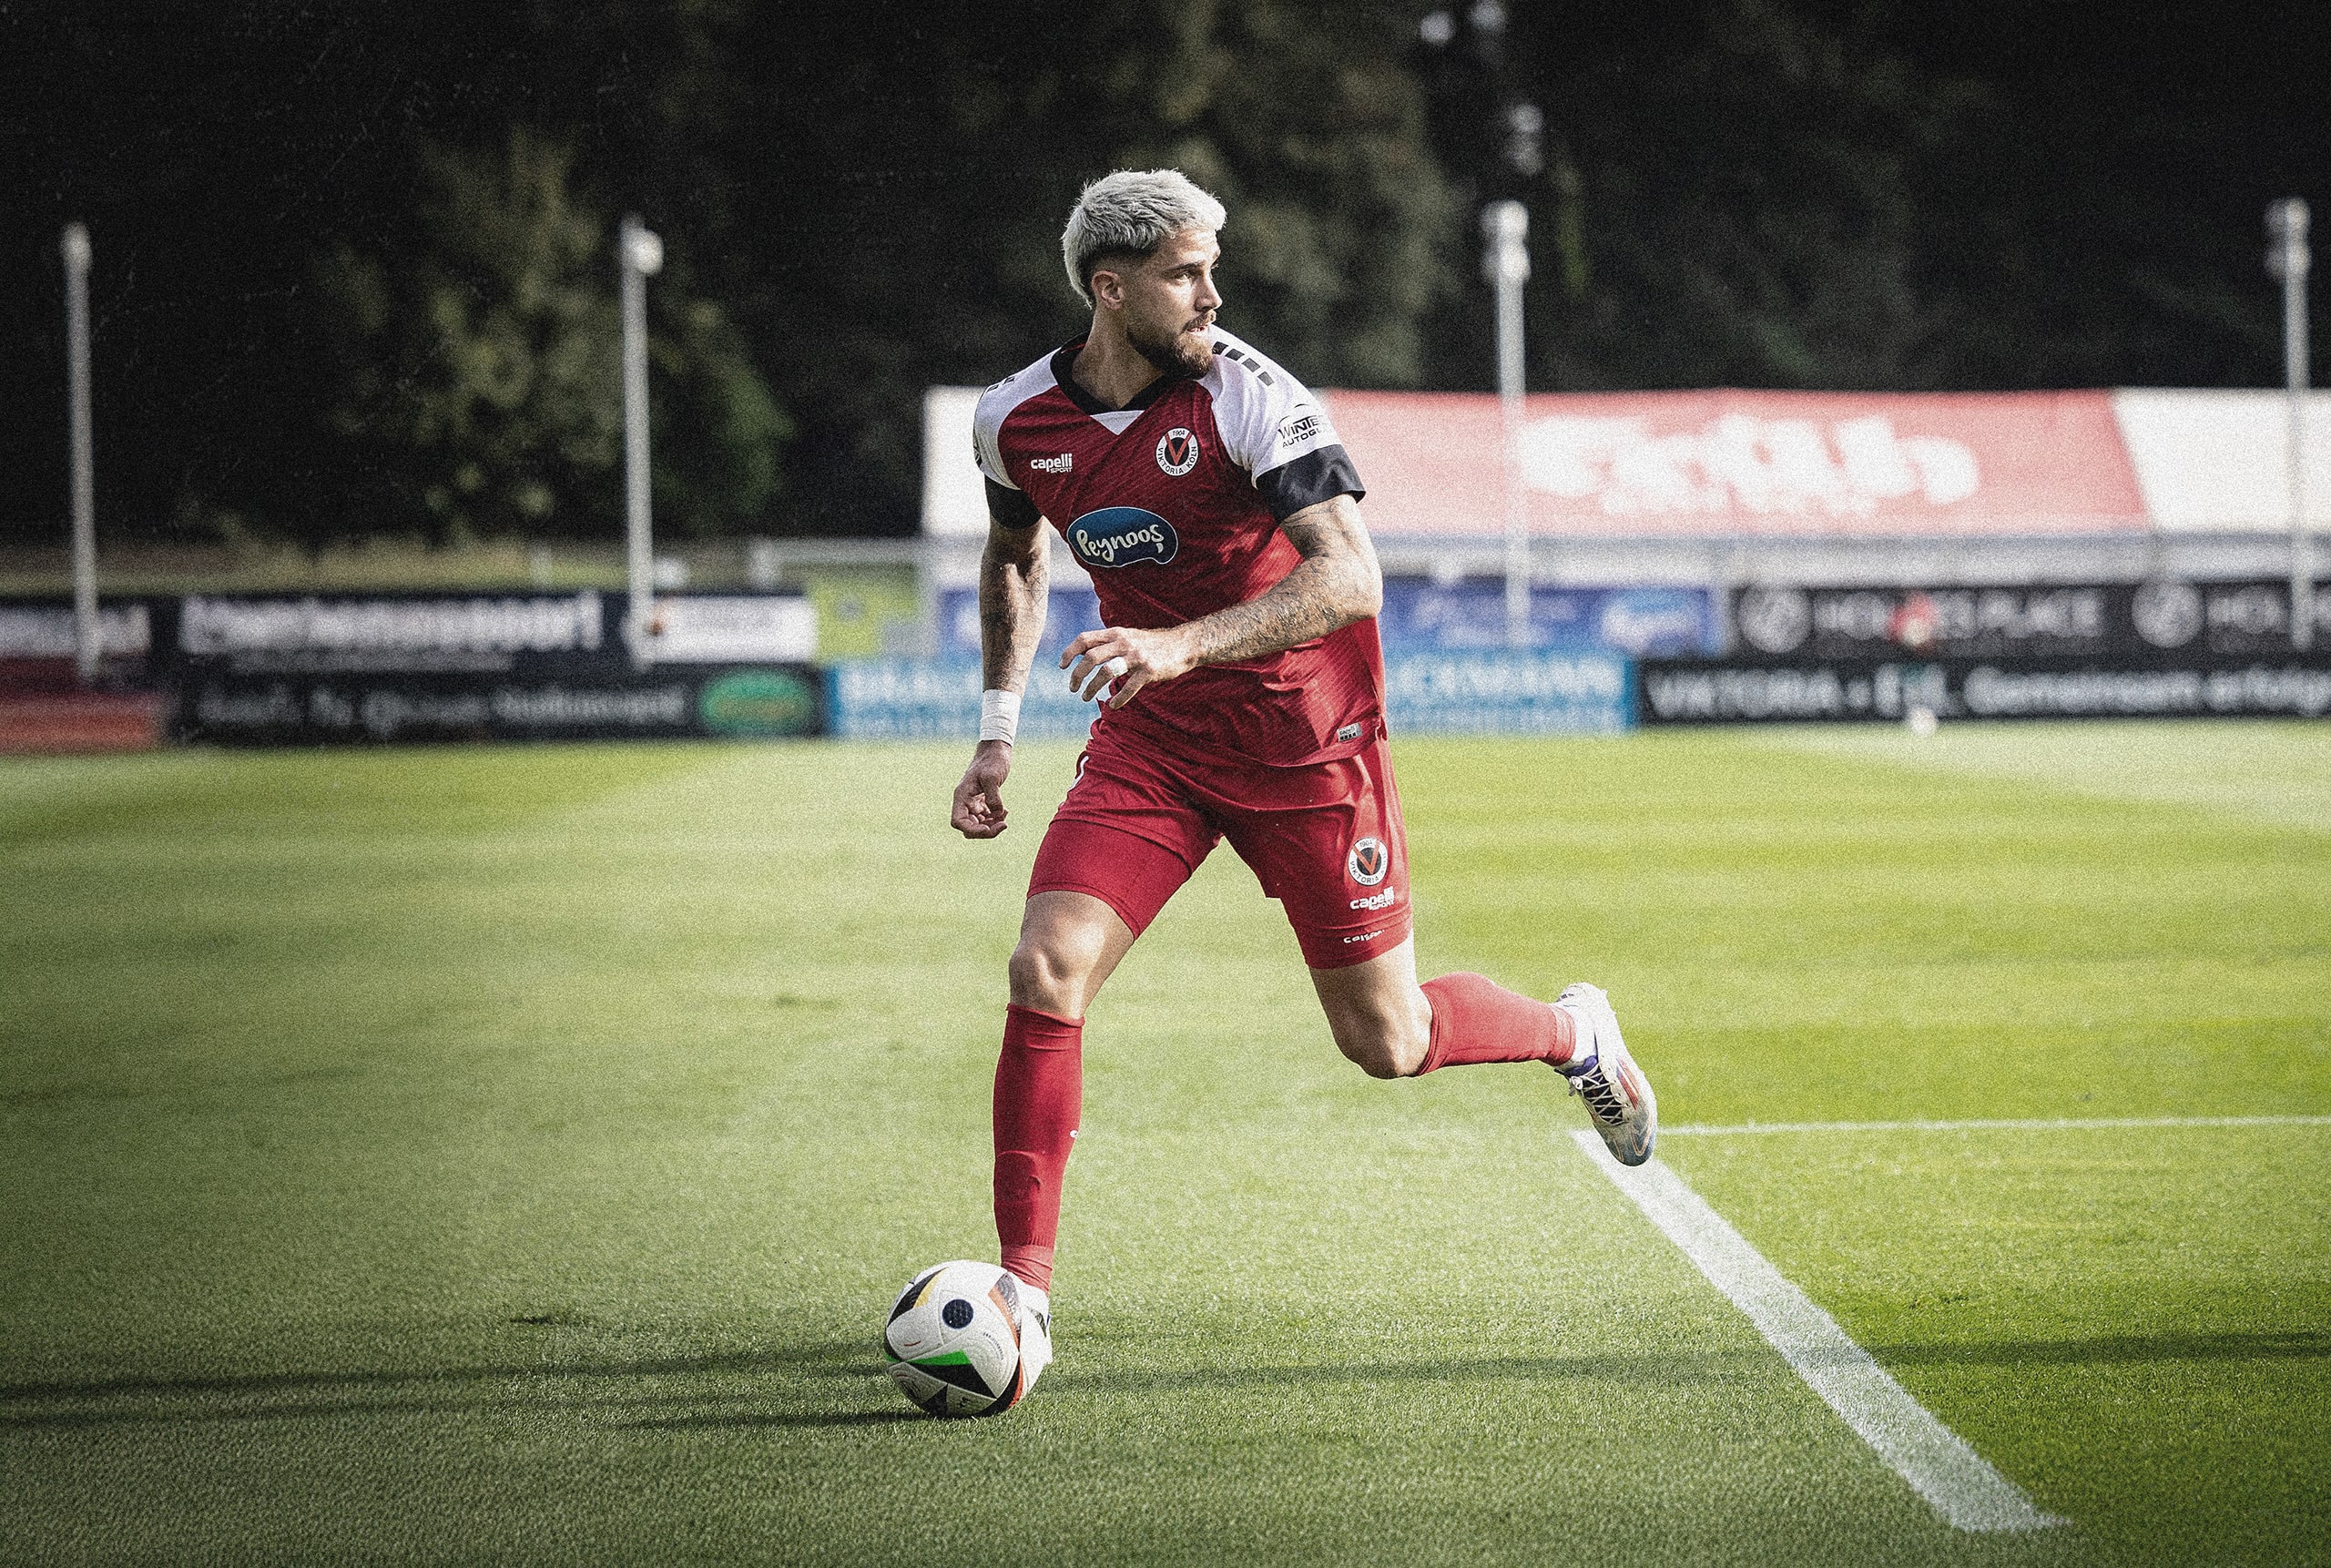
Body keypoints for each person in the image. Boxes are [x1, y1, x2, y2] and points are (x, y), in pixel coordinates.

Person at [950, 168, 1654, 1401]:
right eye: (1185, 273)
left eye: (1212, 268)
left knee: (1389, 1040)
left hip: (1307, 744)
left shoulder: (1252, 397)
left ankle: (1574, 1032)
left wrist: (1180, 643)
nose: (1211, 294)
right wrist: (998, 730)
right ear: (1110, 289)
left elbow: (1350, 578)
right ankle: (1025, 1292)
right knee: (1045, 966)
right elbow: (1016, 556)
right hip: (1156, 747)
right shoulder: (1013, 420)